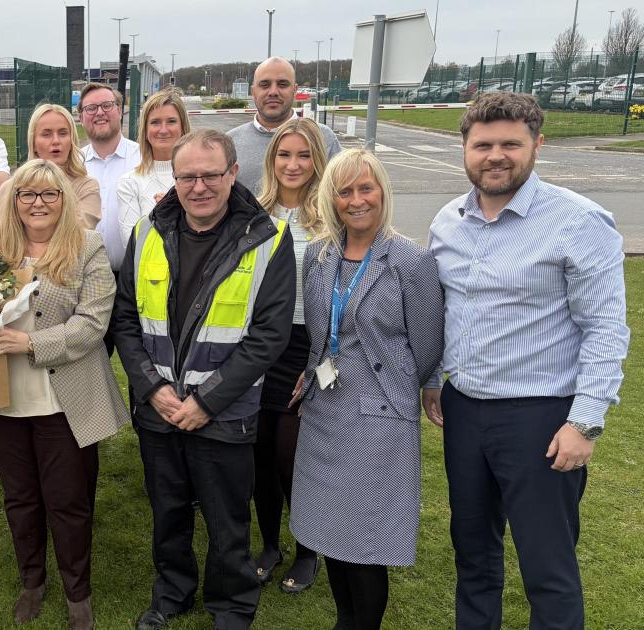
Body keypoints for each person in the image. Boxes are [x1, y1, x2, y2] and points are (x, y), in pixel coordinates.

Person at [427, 92, 629, 630]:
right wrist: (432, 381)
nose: (496, 155)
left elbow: (606, 329)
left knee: (547, 567)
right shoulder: (448, 221)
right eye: (483, 144)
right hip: (464, 410)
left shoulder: (580, 222)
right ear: (464, 150)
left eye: (510, 144)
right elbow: (445, 312)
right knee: (473, 556)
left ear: (537, 145)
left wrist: (584, 421)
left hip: (541, 417)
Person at [0, 159, 129, 630]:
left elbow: (93, 324)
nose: (37, 203)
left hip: (65, 400)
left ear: (64, 199)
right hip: (4, 398)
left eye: (49, 194)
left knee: (69, 500)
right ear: (13, 201)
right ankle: (32, 581)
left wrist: (30, 343)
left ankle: (78, 592)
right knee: (20, 498)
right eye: (27, 194)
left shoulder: (88, 248)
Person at [113, 129, 296, 630]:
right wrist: (153, 390)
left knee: (227, 521)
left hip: (225, 414)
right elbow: (126, 321)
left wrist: (207, 402)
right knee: (168, 512)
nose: (198, 187)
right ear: (174, 178)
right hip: (160, 410)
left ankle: (232, 606)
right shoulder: (147, 232)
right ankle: (171, 593)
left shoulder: (269, 238)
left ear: (233, 173)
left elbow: (269, 335)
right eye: (187, 176)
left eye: (210, 175)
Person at [289, 148, 444, 630]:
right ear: (331, 199)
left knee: (366, 541)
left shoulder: (410, 261)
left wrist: (399, 387)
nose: (356, 200)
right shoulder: (319, 255)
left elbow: (427, 346)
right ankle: (344, 621)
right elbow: (318, 330)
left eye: (365, 188)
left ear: (382, 192)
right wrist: (314, 367)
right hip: (325, 410)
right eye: (345, 190)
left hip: (378, 416)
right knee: (329, 531)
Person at [250, 117, 331, 594]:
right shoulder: (255, 213)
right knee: (258, 455)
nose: (293, 164)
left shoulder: (331, 217)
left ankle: (307, 549)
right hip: (262, 347)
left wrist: (321, 359)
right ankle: (268, 543)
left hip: (310, 348)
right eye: (284, 155)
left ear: (316, 161)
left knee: (291, 457)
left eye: (303, 156)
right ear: (272, 160)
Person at [227, 57, 342, 192]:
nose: (273, 92)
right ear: (253, 91)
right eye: (265, 85)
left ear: (294, 89)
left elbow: (340, 192)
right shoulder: (230, 142)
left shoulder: (324, 138)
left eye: (282, 84)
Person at [0, 104, 100, 231]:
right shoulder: (10, 188)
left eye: (63, 133)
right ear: (33, 143)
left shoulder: (86, 186)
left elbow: (79, 232)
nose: (56, 141)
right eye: (46, 134)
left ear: (71, 140)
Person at [78, 83, 140, 272]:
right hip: (83, 279)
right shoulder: (74, 164)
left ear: (120, 110)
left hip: (133, 279)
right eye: (91, 108)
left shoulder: (143, 159)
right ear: (81, 117)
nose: (99, 113)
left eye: (107, 105)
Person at [116, 88, 190, 245]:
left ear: (183, 126)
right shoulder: (130, 183)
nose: (163, 130)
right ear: (145, 130)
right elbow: (133, 246)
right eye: (155, 122)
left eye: (171, 121)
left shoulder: (202, 178)